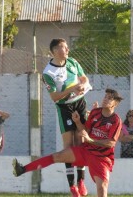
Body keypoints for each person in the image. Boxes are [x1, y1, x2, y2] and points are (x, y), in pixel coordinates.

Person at [12, 88, 123, 197]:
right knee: (57, 156)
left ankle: (80, 183)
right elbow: (85, 130)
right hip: (86, 151)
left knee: (102, 188)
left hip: (101, 158)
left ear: (115, 103)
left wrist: (90, 140)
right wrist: (78, 121)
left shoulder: (116, 120)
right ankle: (22, 169)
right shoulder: (95, 113)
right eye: (105, 96)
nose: (105, 99)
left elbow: (111, 143)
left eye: (109, 98)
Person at [42, 38, 92, 196]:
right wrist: (71, 89)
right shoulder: (48, 72)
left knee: (81, 142)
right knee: (69, 145)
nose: (67, 50)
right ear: (55, 51)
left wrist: (83, 85)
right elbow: (55, 97)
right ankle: (72, 186)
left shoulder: (72, 62)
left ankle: (81, 181)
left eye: (67, 47)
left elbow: (84, 78)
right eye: (64, 48)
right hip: (64, 107)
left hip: (80, 103)